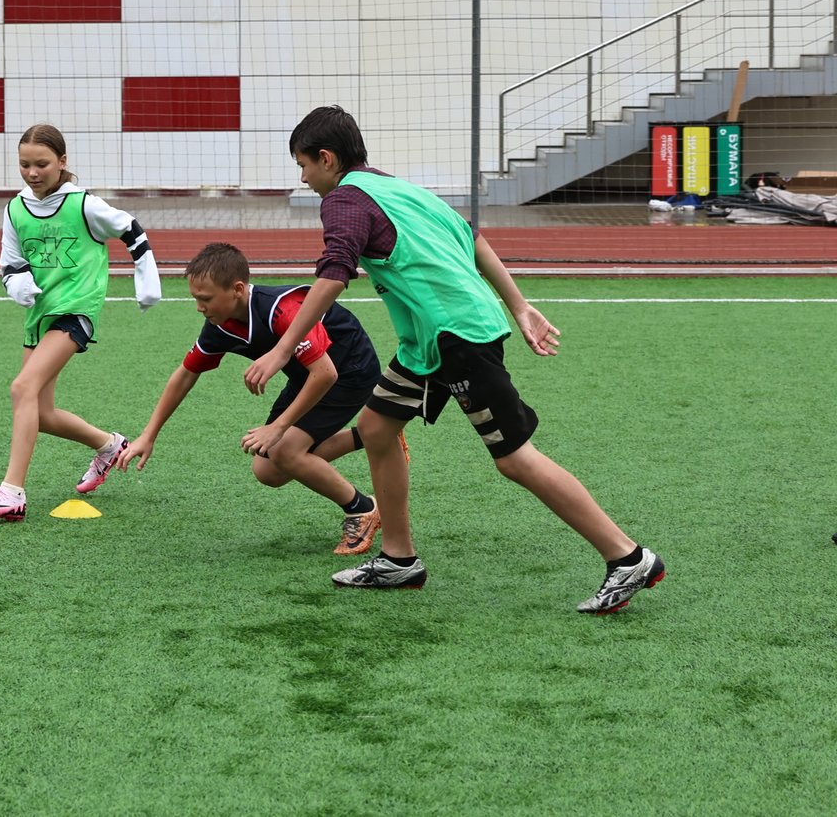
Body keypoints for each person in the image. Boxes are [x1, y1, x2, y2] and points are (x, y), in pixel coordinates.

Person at [246, 106, 664, 614]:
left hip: (456, 338)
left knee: (515, 459)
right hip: (429, 344)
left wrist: (282, 349)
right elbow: (475, 239)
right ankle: (399, 558)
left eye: (303, 165)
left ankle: (628, 557)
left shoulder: (344, 199)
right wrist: (518, 305)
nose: (303, 177)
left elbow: (334, 274)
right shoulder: (398, 188)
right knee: (376, 428)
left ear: (327, 159)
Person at [117, 242, 393, 555]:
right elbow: (185, 375)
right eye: (196, 298)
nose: (199, 307)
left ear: (237, 289)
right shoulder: (219, 326)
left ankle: (361, 509)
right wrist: (149, 435)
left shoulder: (281, 310)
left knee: (284, 449)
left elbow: (326, 374)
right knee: (268, 471)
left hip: (349, 371)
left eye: (205, 299)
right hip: (307, 376)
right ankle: (375, 435)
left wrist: (279, 427)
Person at [0, 124, 162, 523]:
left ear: (62, 162)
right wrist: (16, 282)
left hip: (75, 312)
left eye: (42, 164)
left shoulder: (83, 205)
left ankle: (11, 492)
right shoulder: (15, 209)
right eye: (24, 164)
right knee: (40, 411)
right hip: (39, 316)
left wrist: (146, 279)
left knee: (21, 388)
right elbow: (10, 260)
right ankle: (110, 446)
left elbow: (131, 230)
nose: (32, 172)